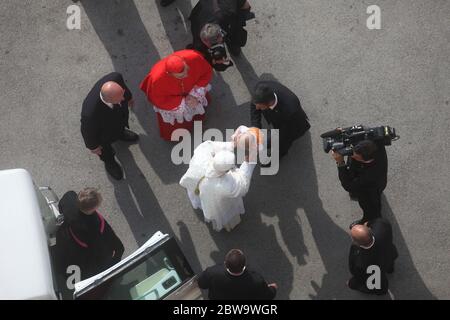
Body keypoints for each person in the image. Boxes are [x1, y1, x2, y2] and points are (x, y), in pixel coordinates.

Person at [179, 131, 258, 232]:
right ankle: (228, 225)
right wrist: (248, 162)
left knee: (201, 198)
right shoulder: (226, 185)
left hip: (196, 183)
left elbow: (210, 145)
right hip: (215, 198)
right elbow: (242, 185)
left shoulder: (202, 153)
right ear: (225, 170)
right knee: (222, 210)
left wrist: (232, 144)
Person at [140, 50, 213, 141]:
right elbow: (158, 99)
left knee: (196, 108)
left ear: (184, 62)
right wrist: (183, 102)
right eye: (181, 76)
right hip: (176, 103)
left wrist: (194, 94)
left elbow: (206, 72)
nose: (186, 75)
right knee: (178, 121)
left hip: (192, 91)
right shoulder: (156, 80)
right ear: (169, 74)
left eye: (187, 70)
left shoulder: (194, 57)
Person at [54, 188, 125, 282]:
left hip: (66, 238)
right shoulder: (95, 228)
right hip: (86, 256)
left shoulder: (70, 198)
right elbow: (118, 248)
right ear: (93, 208)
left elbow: (61, 205)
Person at [81, 72, 139, 180]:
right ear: (108, 100)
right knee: (105, 150)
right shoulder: (90, 113)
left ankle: (121, 133)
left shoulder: (115, 78)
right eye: (120, 98)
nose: (123, 98)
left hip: (117, 118)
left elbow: (123, 88)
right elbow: (87, 132)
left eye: (122, 94)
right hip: (104, 133)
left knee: (119, 124)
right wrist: (93, 147)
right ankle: (110, 163)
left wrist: (129, 97)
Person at [331, 140, 388, 228]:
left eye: (356, 156)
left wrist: (340, 163)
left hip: (371, 190)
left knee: (371, 208)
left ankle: (371, 221)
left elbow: (348, 186)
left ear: (366, 160)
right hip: (371, 177)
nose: (352, 156)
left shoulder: (370, 176)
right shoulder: (374, 143)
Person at [250, 81, 310, 160]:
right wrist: (256, 128)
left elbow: (285, 134)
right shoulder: (259, 90)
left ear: (269, 104)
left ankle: (277, 156)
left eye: (260, 107)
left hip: (293, 124)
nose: (257, 108)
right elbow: (254, 106)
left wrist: (263, 143)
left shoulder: (291, 109)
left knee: (283, 142)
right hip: (279, 116)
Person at [198, 249, 277, 300]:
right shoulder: (256, 280)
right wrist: (273, 288)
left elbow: (202, 284)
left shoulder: (213, 272)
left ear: (225, 263)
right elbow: (267, 296)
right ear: (244, 264)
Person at [348, 219, 398, 295]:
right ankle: (390, 269)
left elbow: (357, 273)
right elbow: (377, 222)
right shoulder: (382, 226)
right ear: (370, 230)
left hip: (376, 274)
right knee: (388, 263)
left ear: (357, 243)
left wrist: (352, 284)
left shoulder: (359, 259)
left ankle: (380, 292)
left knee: (378, 286)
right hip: (389, 254)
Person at [189, 0, 253, 57]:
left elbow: (245, 5)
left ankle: (233, 43)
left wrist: (240, 18)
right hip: (215, 13)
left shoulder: (228, 12)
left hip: (226, 17)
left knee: (236, 35)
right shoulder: (196, 29)